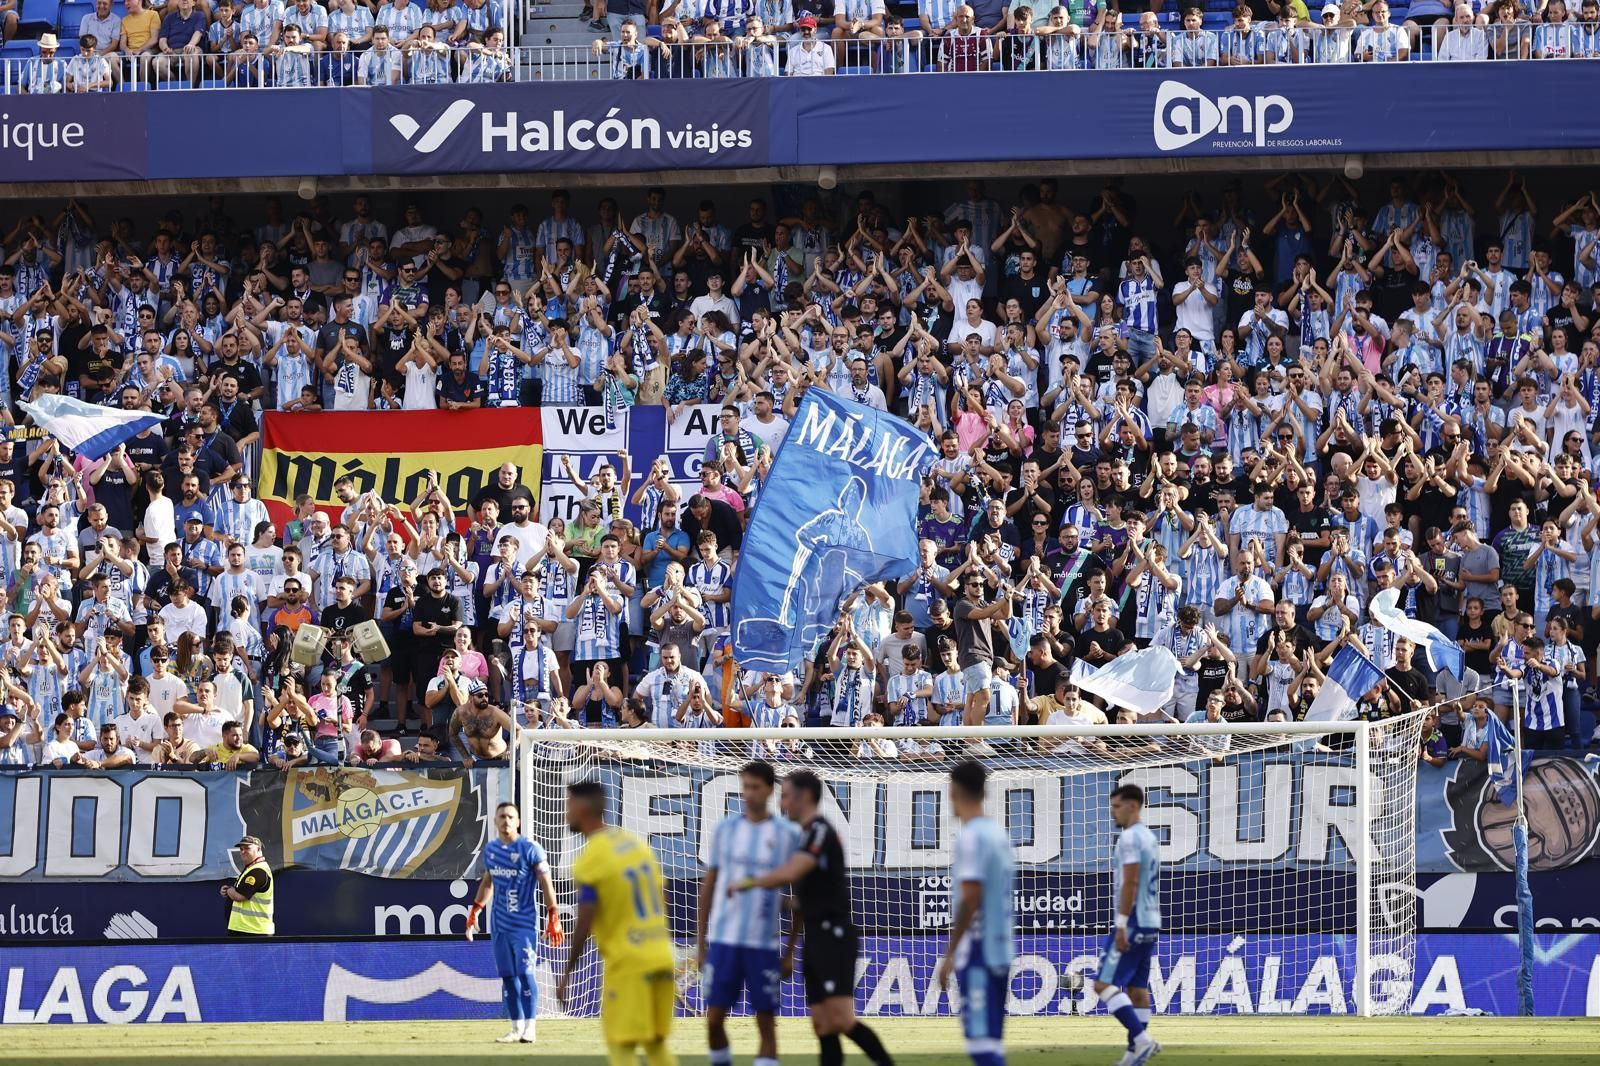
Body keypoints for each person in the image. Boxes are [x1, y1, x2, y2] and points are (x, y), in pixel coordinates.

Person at [732, 768, 895, 1066]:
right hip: (816, 937)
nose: (781, 804)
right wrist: (790, 944)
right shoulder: (803, 836)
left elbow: (793, 872)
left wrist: (750, 883)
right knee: (822, 1024)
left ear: (804, 797)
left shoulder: (819, 830)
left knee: (841, 1019)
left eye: (785, 796)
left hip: (834, 935)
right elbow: (801, 901)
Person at [557, 780, 678, 1066]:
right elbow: (663, 896)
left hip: (628, 963)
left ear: (582, 808)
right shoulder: (634, 844)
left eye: (568, 805)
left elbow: (585, 919)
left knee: (621, 1045)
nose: (565, 813)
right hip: (660, 956)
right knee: (655, 1045)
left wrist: (567, 972)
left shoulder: (592, 858)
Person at [698, 760, 799, 1066]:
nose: (749, 794)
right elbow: (710, 886)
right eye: (745, 787)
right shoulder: (726, 830)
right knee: (714, 1019)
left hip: (763, 945)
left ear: (770, 789)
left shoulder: (787, 834)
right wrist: (700, 941)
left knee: (766, 1023)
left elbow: (799, 897)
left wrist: (790, 950)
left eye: (755, 787)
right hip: (724, 939)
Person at [934, 760, 1016, 1066]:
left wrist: (951, 953)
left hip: (979, 949)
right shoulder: (998, 834)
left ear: (954, 790)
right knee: (992, 1042)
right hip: (1001, 946)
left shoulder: (971, 837)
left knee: (981, 1045)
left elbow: (970, 898)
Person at [467, 802, 563, 1044]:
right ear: (496, 821)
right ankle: (516, 1027)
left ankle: (531, 1027)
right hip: (499, 924)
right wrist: (475, 911)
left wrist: (553, 915)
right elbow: (488, 883)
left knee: (525, 971)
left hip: (524, 924)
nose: (506, 820)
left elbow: (546, 883)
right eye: (502, 816)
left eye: (510, 816)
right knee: (508, 976)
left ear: (518, 821)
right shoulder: (491, 850)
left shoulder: (530, 849)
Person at [1093, 784, 1161, 1066]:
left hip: (1132, 920)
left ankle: (1142, 1040)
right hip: (1151, 920)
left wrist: (1121, 924)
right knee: (1137, 989)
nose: (1113, 813)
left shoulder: (1130, 838)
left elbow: (1131, 881)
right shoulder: (1149, 837)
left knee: (1101, 984)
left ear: (1133, 805)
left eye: (1117, 807)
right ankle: (1134, 1056)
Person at [221, 834, 274, 936]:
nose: (242, 851)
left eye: (247, 848)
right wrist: (229, 890)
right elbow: (240, 890)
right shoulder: (251, 869)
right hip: (246, 929)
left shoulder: (258, 871)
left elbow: (240, 896)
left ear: (258, 849)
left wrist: (229, 891)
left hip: (252, 931)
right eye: (241, 849)